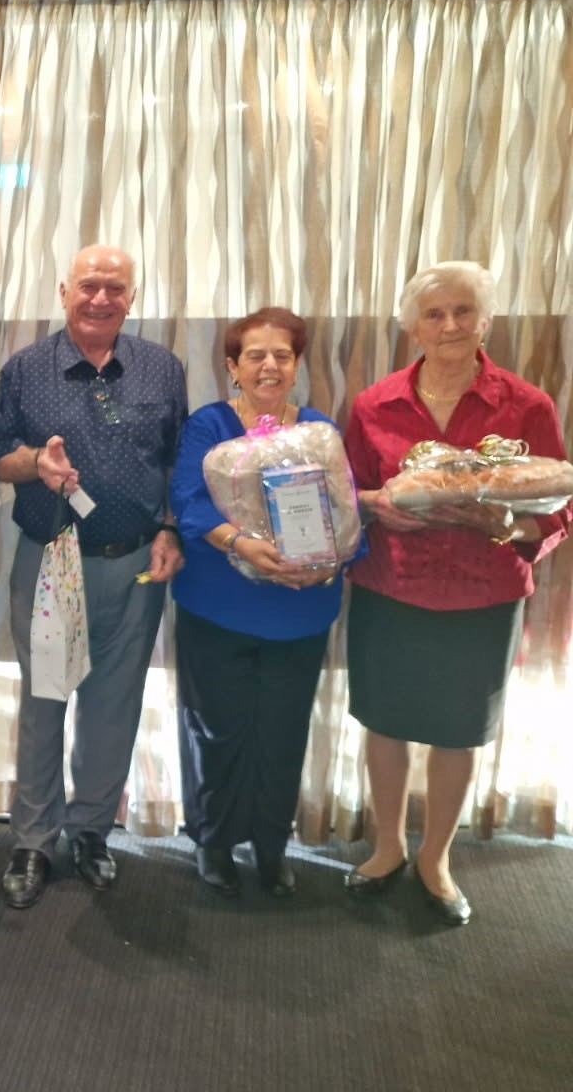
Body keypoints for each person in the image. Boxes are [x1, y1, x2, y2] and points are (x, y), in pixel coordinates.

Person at [343, 261, 569, 926]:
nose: (449, 325)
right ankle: (387, 847)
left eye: (463, 311)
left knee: (459, 733)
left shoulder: (527, 406)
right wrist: (378, 506)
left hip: (484, 596)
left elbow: (557, 505)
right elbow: (347, 492)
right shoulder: (374, 404)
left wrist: (506, 525)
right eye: (434, 314)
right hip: (393, 587)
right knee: (385, 724)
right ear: (413, 327)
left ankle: (435, 858)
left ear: (485, 320)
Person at [0, 243, 187, 910]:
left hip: (134, 565)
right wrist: (34, 465)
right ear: (64, 292)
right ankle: (32, 840)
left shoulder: (162, 368)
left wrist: (170, 529)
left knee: (114, 705)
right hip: (50, 560)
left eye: (115, 287)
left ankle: (92, 832)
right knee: (44, 704)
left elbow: (177, 460)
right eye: (89, 285)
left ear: (132, 297)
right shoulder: (26, 369)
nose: (101, 298)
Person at [170, 308, 360, 897]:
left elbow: (348, 510)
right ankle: (214, 842)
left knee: (283, 734)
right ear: (233, 366)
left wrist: (332, 563)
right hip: (218, 607)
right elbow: (188, 500)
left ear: (298, 364)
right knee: (217, 731)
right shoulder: (209, 425)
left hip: (299, 609)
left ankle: (272, 846)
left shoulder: (320, 431)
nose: (269, 366)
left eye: (282, 354)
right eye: (255, 355)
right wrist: (240, 543)